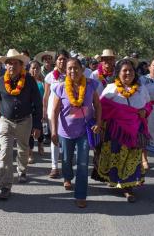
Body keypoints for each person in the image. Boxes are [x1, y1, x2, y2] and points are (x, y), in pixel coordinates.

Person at [92, 58, 152, 203]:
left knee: (132, 158)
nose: (128, 73)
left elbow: (149, 105)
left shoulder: (141, 88)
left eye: (130, 70)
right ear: (118, 73)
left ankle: (128, 187)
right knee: (117, 157)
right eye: (124, 70)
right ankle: (118, 182)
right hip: (116, 132)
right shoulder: (111, 88)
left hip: (136, 130)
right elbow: (101, 108)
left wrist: (145, 110)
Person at [0, 49, 43, 200]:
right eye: (9, 63)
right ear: (5, 66)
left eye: (15, 63)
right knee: (4, 152)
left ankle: (22, 169)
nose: (11, 66)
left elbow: (38, 104)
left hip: (25, 121)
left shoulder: (30, 81)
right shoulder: (0, 82)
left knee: (23, 148)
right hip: (5, 121)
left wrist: (37, 125)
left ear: (21, 65)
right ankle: (5, 186)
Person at [51, 58, 102, 208]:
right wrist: (53, 130)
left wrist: (98, 123)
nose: (73, 71)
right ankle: (67, 176)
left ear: (82, 69)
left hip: (84, 131)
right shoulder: (60, 88)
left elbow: (98, 106)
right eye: (69, 69)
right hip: (65, 132)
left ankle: (81, 194)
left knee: (82, 162)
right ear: (66, 71)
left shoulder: (91, 85)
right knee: (66, 160)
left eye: (76, 68)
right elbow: (54, 111)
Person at [43, 49, 70, 178]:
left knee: (66, 139)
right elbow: (46, 96)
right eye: (60, 59)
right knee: (54, 137)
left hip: (68, 112)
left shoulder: (73, 75)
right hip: (52, 112)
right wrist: (44, 111)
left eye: (64, 59)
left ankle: (66, 163)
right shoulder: (49, 76)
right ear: (56, 61)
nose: (62, 61)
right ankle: (54, 167)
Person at [28, 60, 45, 163]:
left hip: (40, 109)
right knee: (29, 131)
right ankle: (30, 153)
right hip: (29, 109)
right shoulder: (25, 81)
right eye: (33, 68)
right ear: (29, 69)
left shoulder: (42, 82)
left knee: (40, 128)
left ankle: (40, 142)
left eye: (37, 68)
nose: (35, 70)